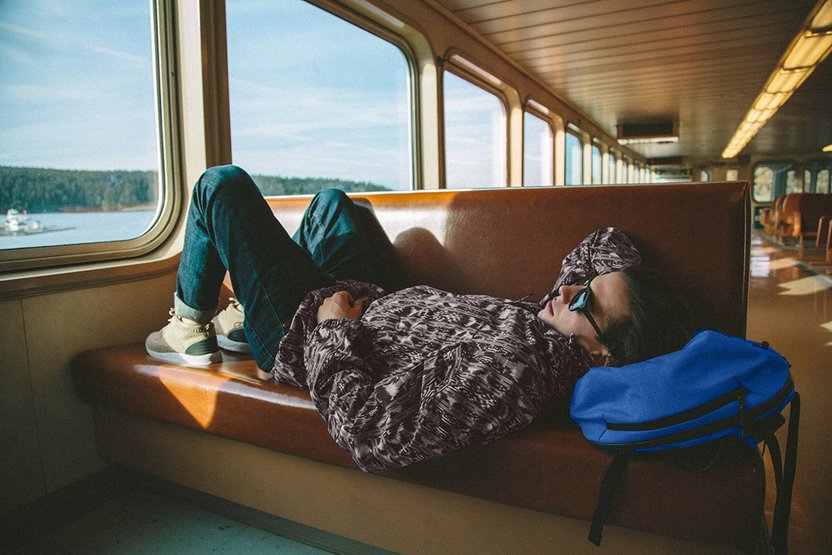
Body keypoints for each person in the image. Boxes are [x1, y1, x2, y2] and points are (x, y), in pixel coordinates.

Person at [146, 165, 694, 472]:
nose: (569, 289)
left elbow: (371, 436)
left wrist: (334, 328)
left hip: (308, 329)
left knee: (220, 187)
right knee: (333, 204)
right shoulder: (558, 323)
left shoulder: (520, 370)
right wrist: (625, 292)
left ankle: (191, 324)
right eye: (583, 287)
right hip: (367, 297)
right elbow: (603, 242)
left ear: (606, 355)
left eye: (587, 302)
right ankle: (247, 309)